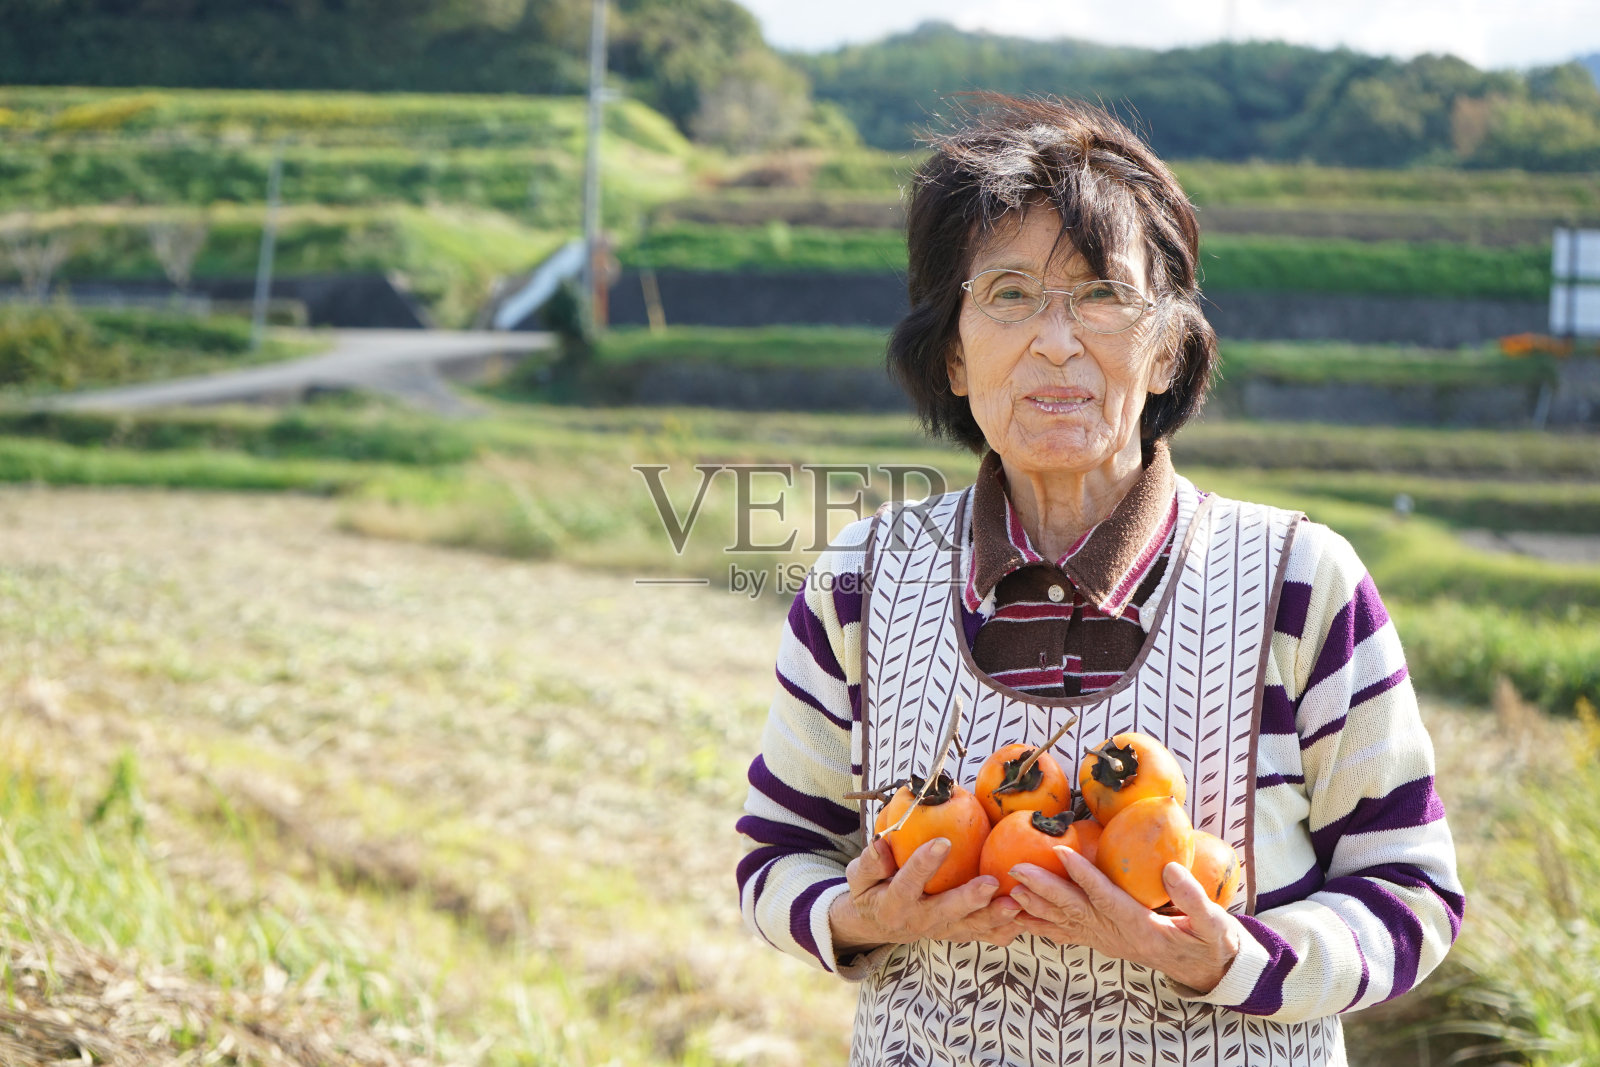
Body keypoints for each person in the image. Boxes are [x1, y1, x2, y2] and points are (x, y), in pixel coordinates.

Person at [735, 95, 1463, 1066]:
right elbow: (773, 854)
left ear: (1166, 347)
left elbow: (1411, 889)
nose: (1055, 340)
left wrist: (1235, 955)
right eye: (1008, 294)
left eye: (1101, 294)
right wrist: (857, 916)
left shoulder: (1301, 581)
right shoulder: (860, 584)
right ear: (952, 354)